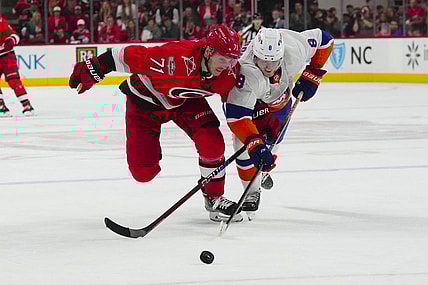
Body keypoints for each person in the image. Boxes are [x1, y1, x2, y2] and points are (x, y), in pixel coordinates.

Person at [69, 24, 243, 222]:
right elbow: (119, 56)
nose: (227, 66)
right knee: (143, 173)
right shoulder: (172, 59)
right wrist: (92, 71)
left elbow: (244, 102)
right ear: (208, 52)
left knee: (212, 143)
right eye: (222, 59)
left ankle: (214, 198)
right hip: (145, 104)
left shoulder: (230, 72)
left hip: (185, 102)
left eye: (231, 60)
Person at [224, 28, 334, 216]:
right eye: (264, 61)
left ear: (281, 54)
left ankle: (262, 172)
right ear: (254, 54)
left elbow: (325, 39)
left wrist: (313, 73)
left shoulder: (294, 49)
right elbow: (237, 117)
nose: (269, 66)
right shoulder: (245, 71)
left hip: (280, 103)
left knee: (272, 145)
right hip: (252, 107)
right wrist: (254, 144)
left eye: (273, 61)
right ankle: (251, 192)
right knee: (241, 144)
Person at [0, 16, 35, 117]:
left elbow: (15, 36)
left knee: (13, 79)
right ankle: (1, 106)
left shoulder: (2, 23)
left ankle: (26, 105)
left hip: (7, 55)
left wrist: (11, 41)